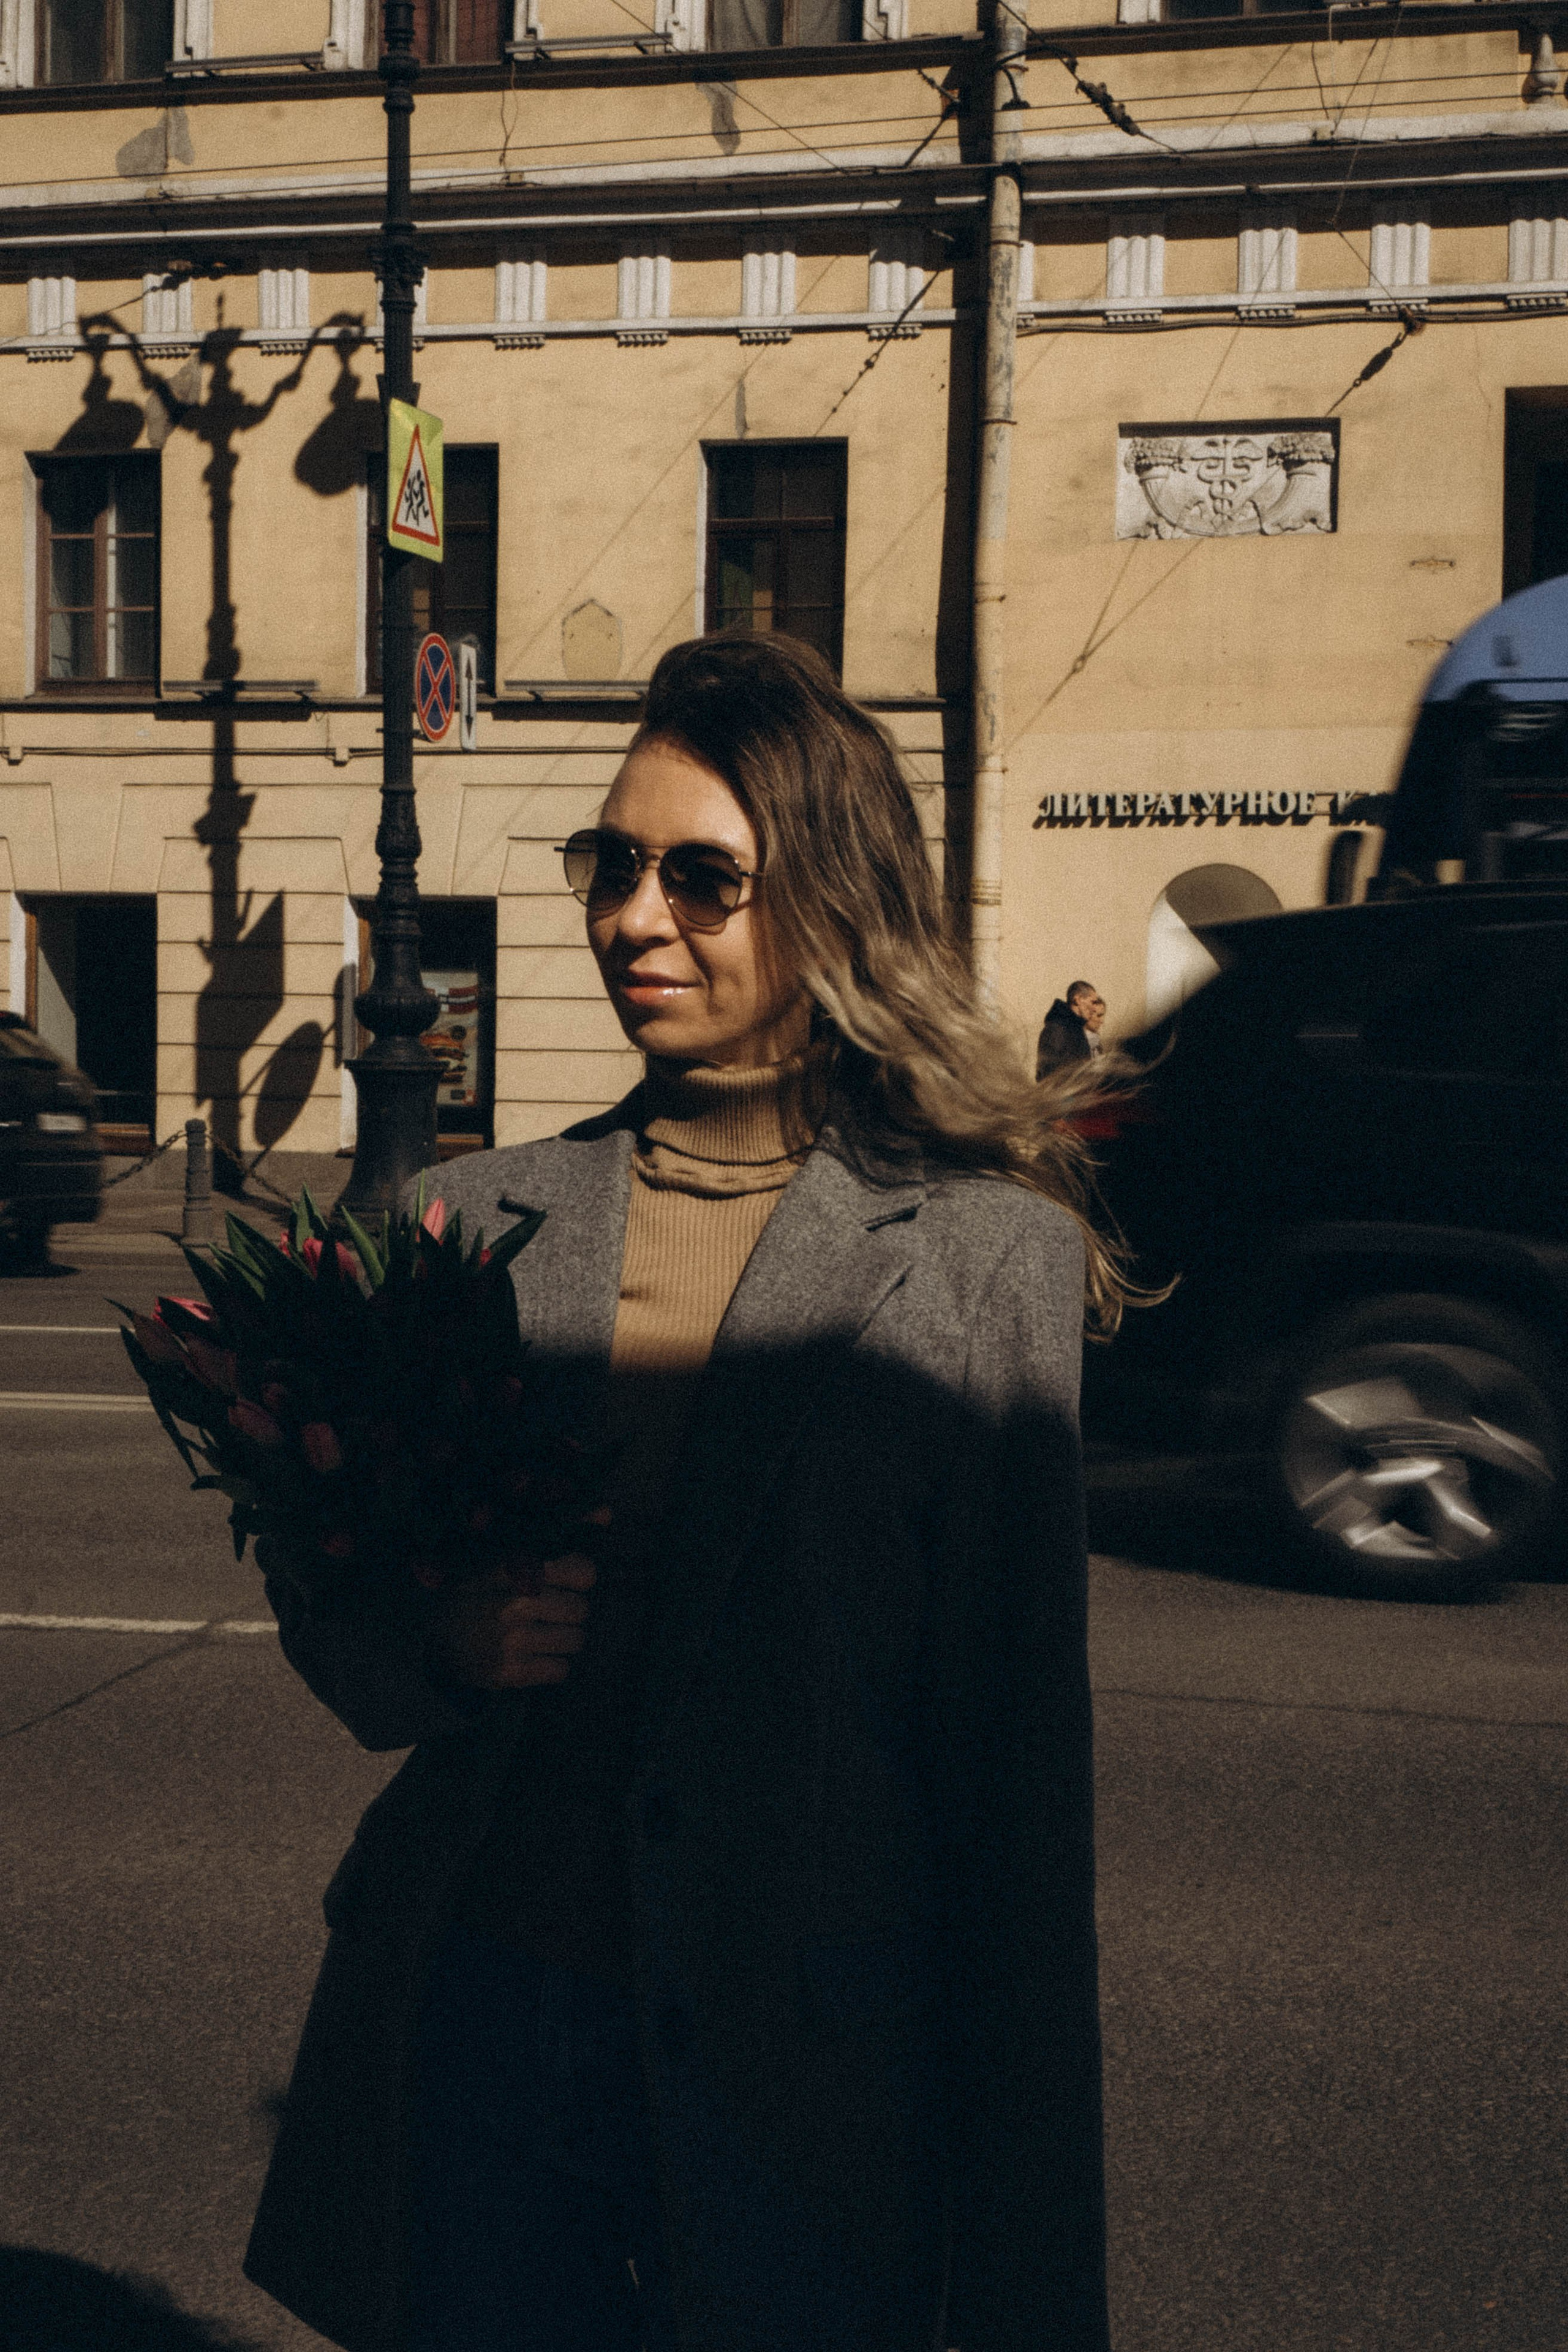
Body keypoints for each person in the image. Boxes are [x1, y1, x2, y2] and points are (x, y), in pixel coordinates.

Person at [246, 633, 1124, 2352]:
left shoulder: (983, 1260)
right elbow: (328, 1596)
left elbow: (1021, 1801)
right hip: (487, 2019)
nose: (631, 918)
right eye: (613, 864)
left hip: (807, 2074)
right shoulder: (473, 1221)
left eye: (702, 877)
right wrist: (442, 1635)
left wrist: (1034, 2285)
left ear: (834, 903)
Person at [1036, 982, 1106, 1079]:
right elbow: (1050, 1076)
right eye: (1093, 1002)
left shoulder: (1076, 1029)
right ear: (1078, 1000)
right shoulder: (1057, 1030)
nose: (1095, 1008)